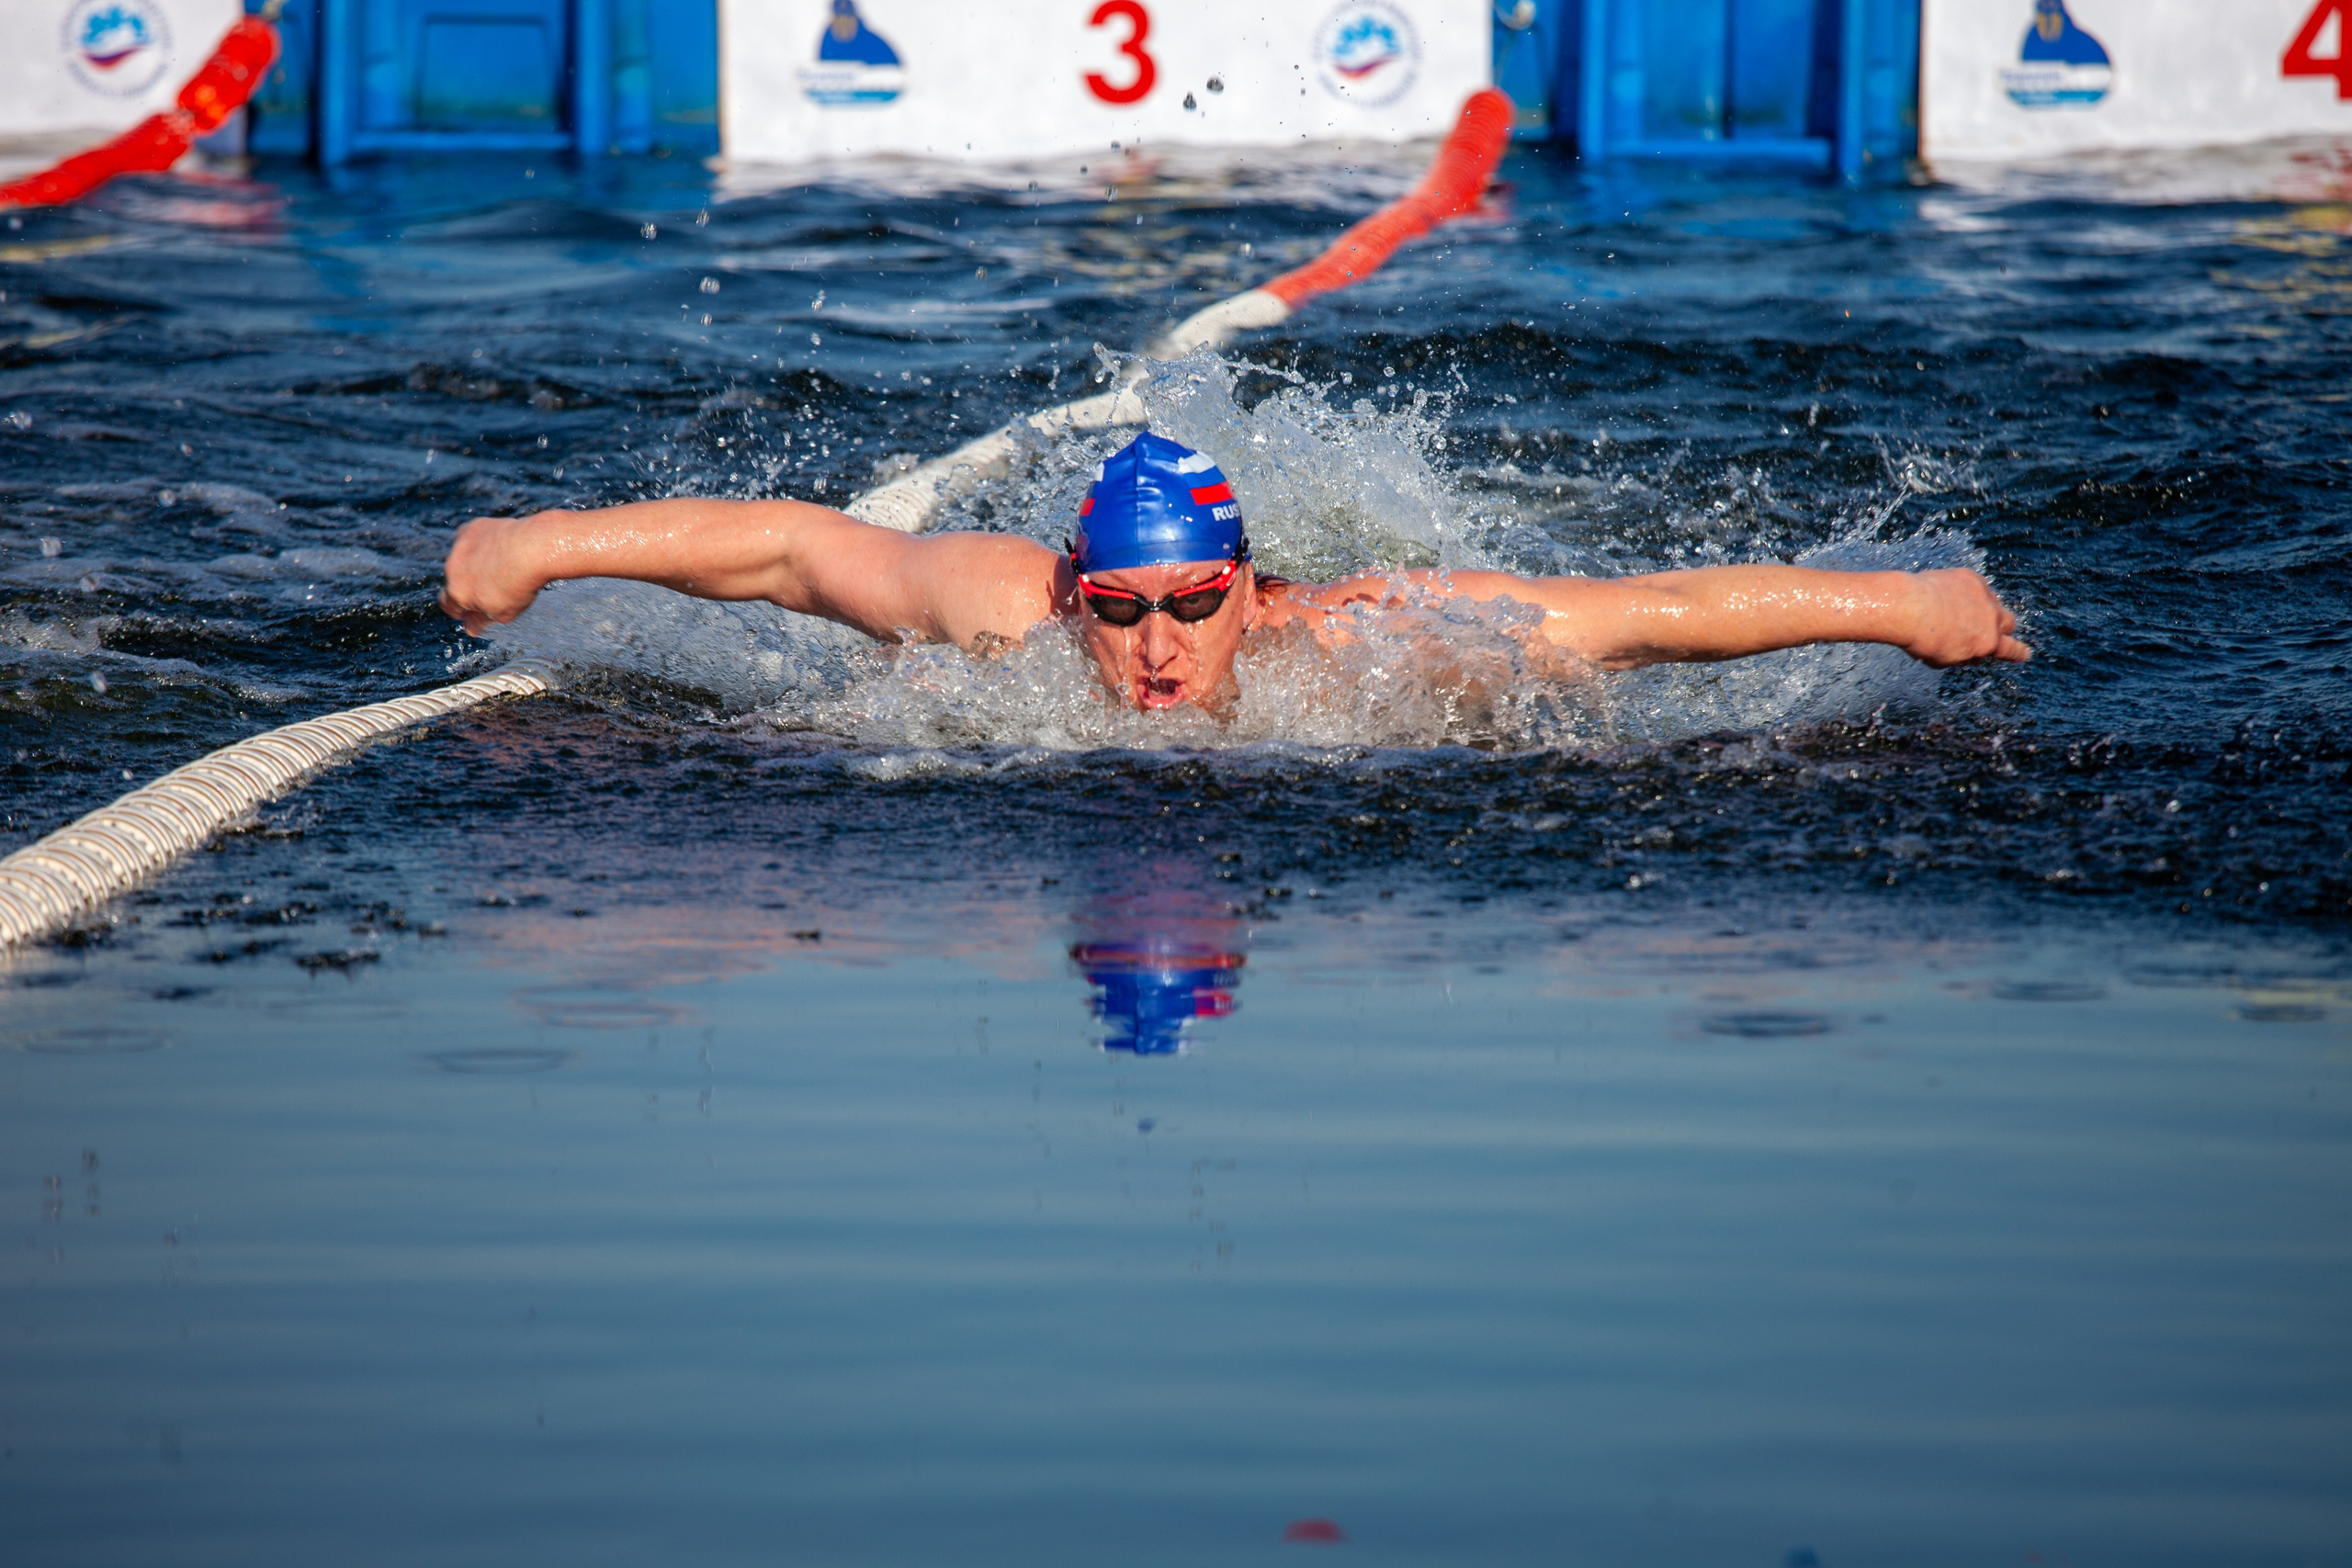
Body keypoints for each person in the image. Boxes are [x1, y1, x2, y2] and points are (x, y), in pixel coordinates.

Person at [439, 430, 2029, 714]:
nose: (1154, 654)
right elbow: (794, 549)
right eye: (1120, 614)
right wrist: (536, 552)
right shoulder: (1010, 614)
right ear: (1078, 595)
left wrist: (1904, 606)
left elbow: (1651, 618)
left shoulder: (1366, 646)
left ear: (1250, 592)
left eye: (1192, 608)